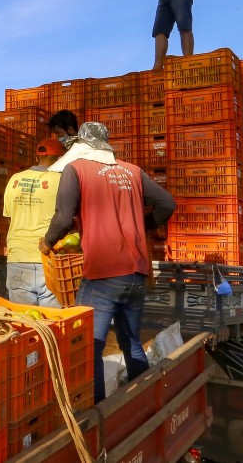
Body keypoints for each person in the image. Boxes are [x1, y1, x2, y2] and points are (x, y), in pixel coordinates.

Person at [39, 122, 175, 403]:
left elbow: (63, 217)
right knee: (132, 342)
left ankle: (99, 412)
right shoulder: (133, 171)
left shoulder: (76, 169)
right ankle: (143, 403)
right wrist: (143, 225)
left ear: (81, 146)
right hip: (136, 274)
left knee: (90, 348)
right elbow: (167, 204)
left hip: (102, 274)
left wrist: (48, 241)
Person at [3, 138, 66, 307]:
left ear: (37, 157)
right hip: (48, 257)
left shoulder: (15, 180)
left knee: (24, 319)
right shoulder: (61, 180)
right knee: (52, 319)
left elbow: (9, 218)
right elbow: (66, 218)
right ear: (60, 159)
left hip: (18, 257)